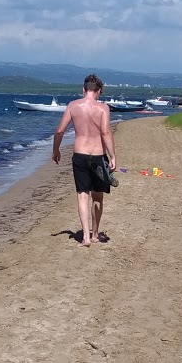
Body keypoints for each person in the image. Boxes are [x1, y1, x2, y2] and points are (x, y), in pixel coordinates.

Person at [51, 74, 116, 247]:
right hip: (98, 156)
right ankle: (95, 235)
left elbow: (59, 131)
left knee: (82, 195)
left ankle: (85, 238)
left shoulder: (73, 105)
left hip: (79, 154)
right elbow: (105, 132)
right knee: (97, 197)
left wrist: (55, 150)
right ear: (99, 91)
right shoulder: (103, 108)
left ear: (83, 89)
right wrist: (113, 156)